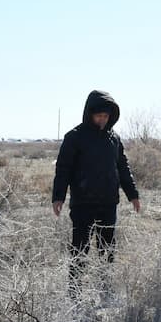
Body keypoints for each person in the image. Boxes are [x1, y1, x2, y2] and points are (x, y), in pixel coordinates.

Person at [52, 90, 140, 294]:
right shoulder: (74, 137)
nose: (102, 119)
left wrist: (133, 194)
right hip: (82, 204)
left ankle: (105, 289)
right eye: (98, 115)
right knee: (80, 249)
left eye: (106, 116)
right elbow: (63, 169)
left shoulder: (114, 139)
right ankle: (75, 293)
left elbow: (123, 167)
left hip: (108, 203)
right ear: (89, 114)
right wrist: (58, 197)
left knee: (107, 249)